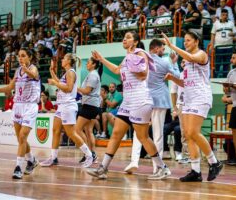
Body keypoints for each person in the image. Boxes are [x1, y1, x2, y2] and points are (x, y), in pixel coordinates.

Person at [86, 31, 171, 180]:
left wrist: (132, 63)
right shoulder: (128, 57)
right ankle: (103, 168)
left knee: (143, 137)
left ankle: (162, 168)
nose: (125, 39)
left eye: (128, 37)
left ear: (136, 42)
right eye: (124, 37)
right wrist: (102, 59)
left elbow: (143, 75)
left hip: (140, 99)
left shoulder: (140, 53)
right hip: (128, 101)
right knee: (116, 134)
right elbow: (117, 70)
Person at [163, 31, 223, 182]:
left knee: (194, 132)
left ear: (196, 41)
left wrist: (171, 46)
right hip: (189, 99)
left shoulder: (201, 55)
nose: (186, 43)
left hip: (200, 98)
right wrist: (173, 78)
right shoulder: (187, 63)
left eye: (188, 40)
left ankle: (214, 162)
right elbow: (184, 83)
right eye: (185, 41)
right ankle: (195, 171)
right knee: (188, 135)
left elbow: (190, 56)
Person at [124, 39, 180, 174]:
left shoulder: (140, 59)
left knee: (139, 132)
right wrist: (174, 63)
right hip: (159, 100)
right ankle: (157, 167)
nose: (164, 51)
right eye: (162, 48)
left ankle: (134, 161)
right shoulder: (165, 61)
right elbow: (177, 76)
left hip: (142, 98)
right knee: (158, 134)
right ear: (155, 49)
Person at [40, 54, 94, 168]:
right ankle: (53, 158)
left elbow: (68, 88)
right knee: (55, 130)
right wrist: (52, 71)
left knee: (71, 133)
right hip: (62, 106)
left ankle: (89, 156)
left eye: (64, 58)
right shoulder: (67, 72)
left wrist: (55, 83)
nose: (62, 60)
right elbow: (60, 83)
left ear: (69, 61)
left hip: (68, 106)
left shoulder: (71, 72)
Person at [0, 48, 40, 179]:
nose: (20, 58)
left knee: (23, 135)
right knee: (21, 138)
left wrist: (27, 70)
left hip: (30, 106)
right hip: (18, 106)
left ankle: (18, 167)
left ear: (29, 57)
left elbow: (34, 75)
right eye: (19, 56)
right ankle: (32, 160)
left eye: (23, 56)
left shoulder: (33, 68)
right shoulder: (18, 71)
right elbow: (9, 87)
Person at [75, 57, 102, 164]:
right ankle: (93, 154)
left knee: (77, 130)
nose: (87, 64)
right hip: (92, 105)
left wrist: (74, 87)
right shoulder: (92, 74)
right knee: (88, 131)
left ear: (94, 64)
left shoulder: (93, 75)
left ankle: (88, 154)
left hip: (89, 106)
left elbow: (86, 91)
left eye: (89, 63)